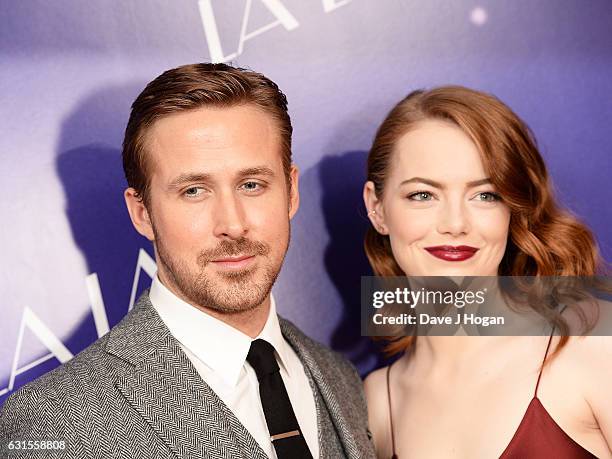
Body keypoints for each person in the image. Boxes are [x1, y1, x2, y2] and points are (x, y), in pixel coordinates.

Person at [0, 63, 375, 459]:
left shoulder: (340, 378)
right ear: (142, 213)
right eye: (194, 191)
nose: (232, 224)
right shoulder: (52, 423)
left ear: (291, 192)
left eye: (252, 185)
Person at [361, 86, 612, 458]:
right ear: (377, 208)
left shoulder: (590, 347)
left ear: (512, 209)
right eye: (423, 195)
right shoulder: (377, 401)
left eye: (485, 195)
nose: (456, 223)